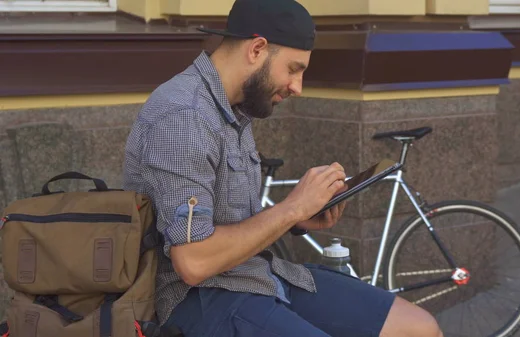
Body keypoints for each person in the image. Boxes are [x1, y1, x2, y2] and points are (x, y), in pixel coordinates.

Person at [122, 0, 443, 336]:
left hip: (257, 275)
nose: (297, 87)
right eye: (293, 69)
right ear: (257, 48)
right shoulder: (183, 117)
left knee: (420, 328)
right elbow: (193, 261)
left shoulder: (236, 109)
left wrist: (296, 219)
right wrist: (291, 209)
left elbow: (228, 221)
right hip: (199, 301)